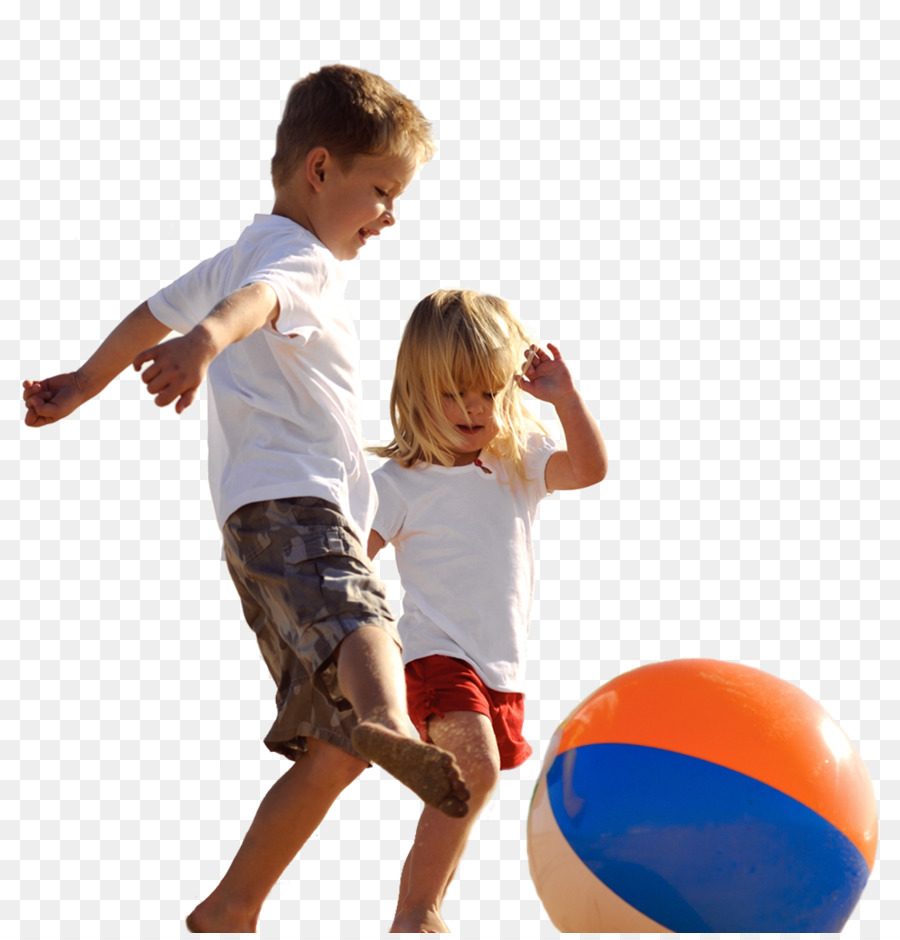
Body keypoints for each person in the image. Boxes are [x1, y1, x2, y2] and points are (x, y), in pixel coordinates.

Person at [22, 65, 469, 934]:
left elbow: (150, 312)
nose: (389, 215)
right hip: (299, 506)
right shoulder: (293, 261)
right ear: (319, 169)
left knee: (330, 748)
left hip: (250, 531)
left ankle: (234, 904)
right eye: (381, 190)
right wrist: (205, 342)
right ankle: (390, 719)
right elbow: (248, 307)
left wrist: (83, 381)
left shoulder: (243, 247)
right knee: (362, 621)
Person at [367, 289, 608, 933]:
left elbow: (588, 470)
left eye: (485, 391)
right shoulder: (399, 484)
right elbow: (350, 562)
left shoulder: (516, 464)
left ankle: (425, 907)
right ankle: (416, 913)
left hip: (502, 669)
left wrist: (565, 398)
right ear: (419, 392)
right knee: (472, 770)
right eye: (452, 393)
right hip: (435, 654)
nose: (471, 408)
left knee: (476, 784)